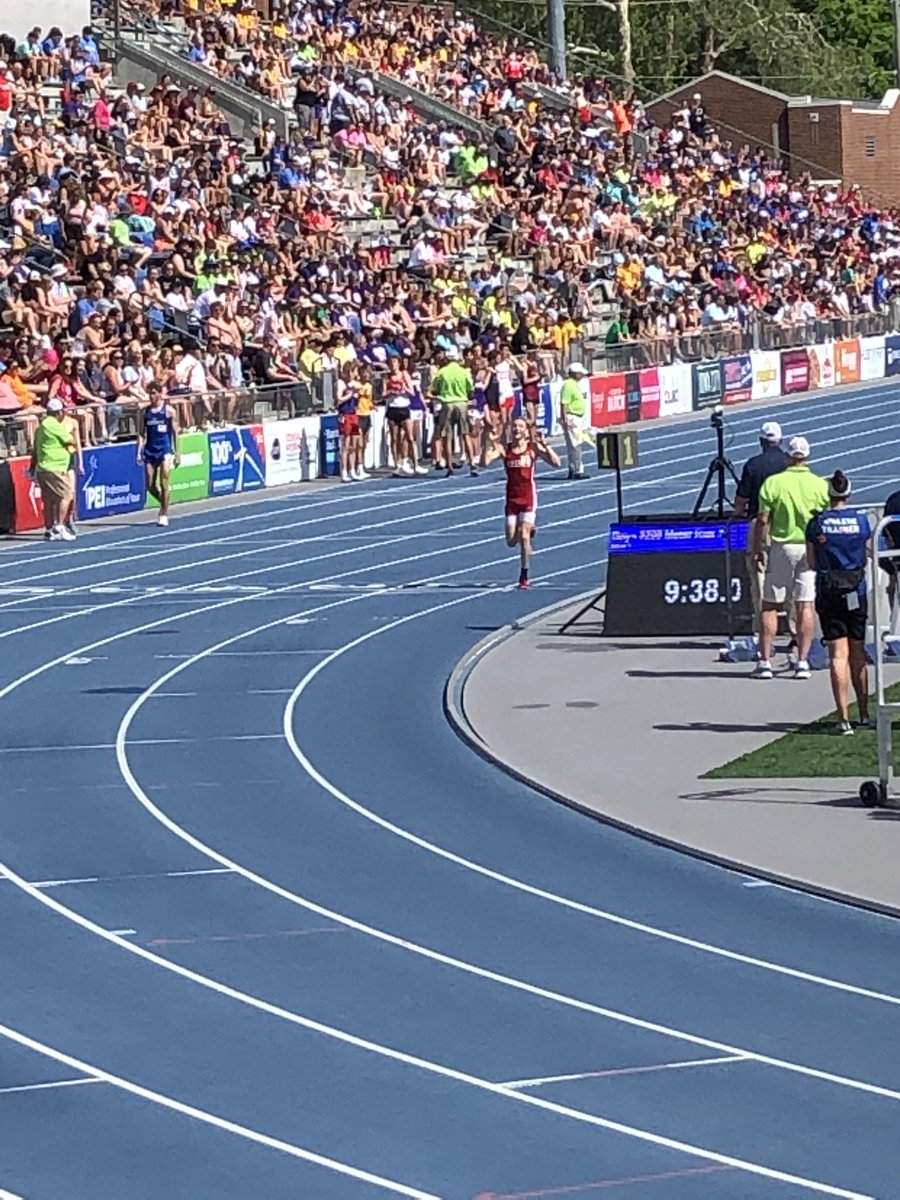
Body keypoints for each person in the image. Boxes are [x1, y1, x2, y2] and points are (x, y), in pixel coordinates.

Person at [753, 436, 829, 680]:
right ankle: (802, 662)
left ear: (787, 456)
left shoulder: (773, 483)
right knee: (805, 604)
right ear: (807, 457)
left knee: (770, 604)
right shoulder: (819, 485)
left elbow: (763, 520)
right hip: (808, 548)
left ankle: (765, 661)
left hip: (782, 545)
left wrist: (758, 548)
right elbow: (824, 521)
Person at [806, 472, 871, 735]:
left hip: (829, 591)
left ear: (828, 494)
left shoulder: (817, 523)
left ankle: (843, 718)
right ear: (848, 494)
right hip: (856, 590)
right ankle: (865, 714)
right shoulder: (861, 521)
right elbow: (865, 554)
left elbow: (811, 563)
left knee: (837, 655)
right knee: (858, 652)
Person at [482, 416, 561, 589]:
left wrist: (546, 445)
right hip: (511, 499)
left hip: (528, 498)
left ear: (526, 430)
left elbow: (556, 463)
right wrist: (488, 443)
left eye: (520, 426)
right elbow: (484, 463)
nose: (517, 429)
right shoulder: (505, 449)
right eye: (514, 426)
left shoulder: (532, 449)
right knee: (511, 542)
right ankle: (526, 533)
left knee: (524, 536)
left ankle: (524, 576)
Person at [734, 421, 790, 637]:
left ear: (761, 441)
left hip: (760, 525)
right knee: (791, 580)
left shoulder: (753, 465)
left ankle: (762, 634)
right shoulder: (790, 463)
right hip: (787, 526)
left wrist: (739, 511)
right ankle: (795, 632)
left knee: (760, 580)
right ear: (780, 440)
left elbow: (741, 501)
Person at [30, 398, 77, 541]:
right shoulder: (54, 425)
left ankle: (49, 530)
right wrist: (69, 447)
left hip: (43, 468)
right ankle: (60, 525)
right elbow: (71, 440)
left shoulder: (40, 428)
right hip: (55, 467)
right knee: (66, 495)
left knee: (49, 500)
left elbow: (35, 450)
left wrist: (32, 467)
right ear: (59, 412)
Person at [137, 384, 180, 528]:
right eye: (150, 394)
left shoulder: (168, 411)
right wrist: (138, 451)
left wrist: (177, 452)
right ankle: (164, 500)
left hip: (165, 450)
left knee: (164, 480)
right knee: (150, 485)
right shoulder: (145, 412)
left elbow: (175, 432)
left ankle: (163, 513)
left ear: (160, 394)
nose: (151, 396)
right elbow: (141, 433)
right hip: (150, 450)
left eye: (154, 393)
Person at [431, 347, 476, 478]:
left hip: (447, 404)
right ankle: (472, 463)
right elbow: (471, 390)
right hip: (462, 403)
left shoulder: (442, 372)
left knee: (447, 436)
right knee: (465, 434)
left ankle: (450, 466)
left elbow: (435, 389)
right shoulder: (464, 372)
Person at [559, 362, 589, 480]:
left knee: (574, 444)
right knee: (575, 444)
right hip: (572, 417)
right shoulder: (568, 385)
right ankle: (577, 469)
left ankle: (573, 468)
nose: (582, 376)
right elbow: (564, 402)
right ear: (575, 374)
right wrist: (565, 417)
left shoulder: (573, 384)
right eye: (580, 373)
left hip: (575, 417)